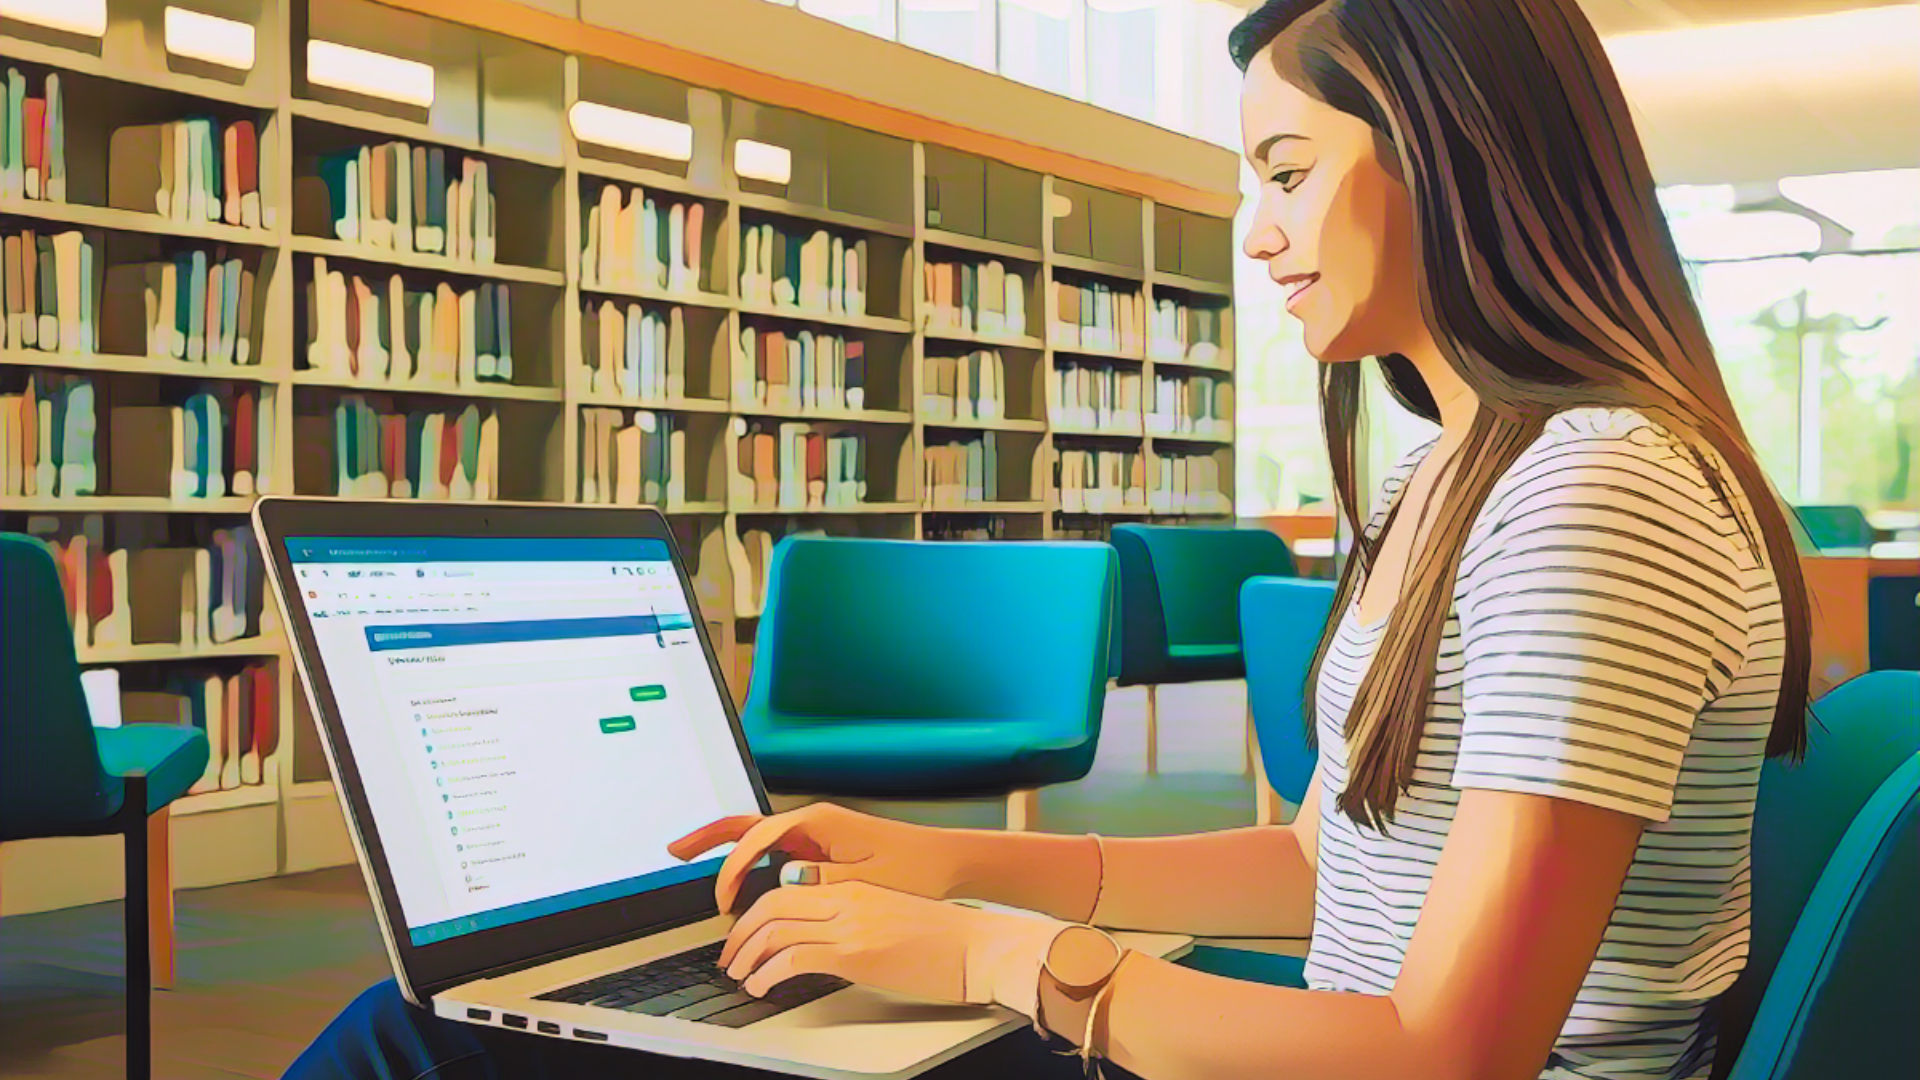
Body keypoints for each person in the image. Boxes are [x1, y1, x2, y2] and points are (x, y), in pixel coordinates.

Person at [286, 1, 1814, 1077]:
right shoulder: (1472, 468)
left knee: (413, 1043)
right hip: (1308, 1045)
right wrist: (944, 866)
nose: (1261, 236)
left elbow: (1449, 1054)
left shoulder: (1594, 491)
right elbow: (1326, 869)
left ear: (1454, 146)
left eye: (1287, 171)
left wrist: (983, 960)